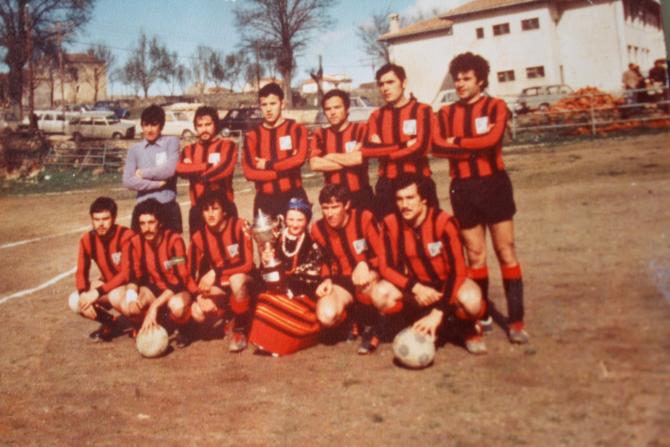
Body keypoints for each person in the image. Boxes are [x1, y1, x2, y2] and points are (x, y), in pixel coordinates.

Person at [432, 52, 528, 344]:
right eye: (457, 79)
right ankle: (482, 313)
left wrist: (458, 142)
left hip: (494, 185)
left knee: (505, 250)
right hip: (462, 188)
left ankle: (516, 320)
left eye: (466, 78)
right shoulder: (445, 113)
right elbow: (437, 147)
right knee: (475, 254)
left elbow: (491, 140)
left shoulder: (496, 106)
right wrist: (469, 147)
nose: (460, 84)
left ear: (481, 80)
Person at [376, 176, 487, 354]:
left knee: (472, 301)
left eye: (410, 198)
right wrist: (416, 288)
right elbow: (386, 267)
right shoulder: (390, 223)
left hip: (446, 285)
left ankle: (466, 328)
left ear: (424, 199)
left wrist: (438, 311)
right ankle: (411, 322)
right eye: (399, 199)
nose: (404, 205)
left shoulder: (444, 222)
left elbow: (458, 271)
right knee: (380, 294)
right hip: (417, 288)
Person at [310, 184, 386, 354]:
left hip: (369, 275)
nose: (329, 213)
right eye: (325, 208)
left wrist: (366, 264)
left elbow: (383, 254)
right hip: (342, 280)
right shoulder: (318, 228)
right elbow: (322, 261)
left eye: (335, 207)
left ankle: (372, 327)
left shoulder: (364, 219)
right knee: (326, 316)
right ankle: (350, 318)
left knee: (364, 283)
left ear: (347, 205)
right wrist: (325, 279)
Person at [362, 63, 437, 218]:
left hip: (419, 182)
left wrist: (385, 152)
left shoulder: (422, 110)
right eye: (381, 84)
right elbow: (368, 150)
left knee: (426, 230)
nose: (385, 88)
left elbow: (421, 147)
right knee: (390, 231)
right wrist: (403, 145)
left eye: (390, 82)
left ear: (403, 83)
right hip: (387, 185)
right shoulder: (376, 116)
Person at [188, 192, 254, 352]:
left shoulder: (240, 225)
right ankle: (229, 315)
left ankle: (240, 330)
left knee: (236, 280)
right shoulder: (198, 237)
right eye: (206, 210)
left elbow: (247, 264)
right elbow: (188, 273)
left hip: (247, 281)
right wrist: (197, 295)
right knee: (197, 312)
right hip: (223, 284)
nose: (210, 214)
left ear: (224, 211)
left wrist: (215, 272)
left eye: (215, 208)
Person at [124, 199, 193, 345]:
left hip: (178, 290)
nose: (147, 228)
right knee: (133, 306)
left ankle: (186, 327)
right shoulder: (136, 243)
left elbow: (180, 279)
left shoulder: (175, 241)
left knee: (176, 306)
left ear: (160, 223)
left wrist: (154, 306)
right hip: (155, 289)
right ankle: (157, 322)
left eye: (151, 222)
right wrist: (131, 300)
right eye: (142, 223)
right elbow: (134, 276)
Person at [69, 197, 134, 341]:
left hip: (131, 287)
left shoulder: (126, 236)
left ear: (114, 217)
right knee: (75, 300)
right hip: (109, 287)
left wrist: (97, 292)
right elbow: (81, 272)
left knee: (115, 295)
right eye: (96, 219)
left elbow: (126, 273)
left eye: (105, 219)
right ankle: (110, 322)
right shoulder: (87, 239)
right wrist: (83, 294)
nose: (101, 224)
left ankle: (138, 323)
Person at [242, 83, 308, 218]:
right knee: (265, 232)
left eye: (273, 104)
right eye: (264, 105)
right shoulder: (252, 135)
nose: (268, 109)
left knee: (296, 231)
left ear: (282, 104)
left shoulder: (296, 129)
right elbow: (249, 173)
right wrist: (287, 168)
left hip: (293, 195)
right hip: (265, 199)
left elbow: (300, 159)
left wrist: (267, 165)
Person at [176, 106, 238, 236]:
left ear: (215, 125)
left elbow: (224, 169)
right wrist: (206, 166)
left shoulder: (228, 146)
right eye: (200, 125)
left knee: (228, 246)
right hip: (198, 209)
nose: (204, 129)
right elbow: (180, 169)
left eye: (208, 124)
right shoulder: (188, 150)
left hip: (224, 208)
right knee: (198, 247)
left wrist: (193, 169)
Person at [310, 89, 373, 211]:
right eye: (328, 109)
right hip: (334, 199)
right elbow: (315, 164)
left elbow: (358, 158)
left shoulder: (361, 129)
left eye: (337, 107)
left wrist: (330, 156)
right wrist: (349, 160)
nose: (332, 112)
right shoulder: (320, 134)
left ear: (347, 109)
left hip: (361, 194)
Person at [123, 104, 182, 233]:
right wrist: (156, 184)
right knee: (139, 245)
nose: (149, 130)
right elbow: (128, 181)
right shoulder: (134, 150)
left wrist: (142, 173)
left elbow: (169, 170)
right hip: (142, 210)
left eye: (154, 125)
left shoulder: (171, 142)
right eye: (146, 125)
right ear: (142, 125)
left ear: (161, 125)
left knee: (172, 245)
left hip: (167, 207)